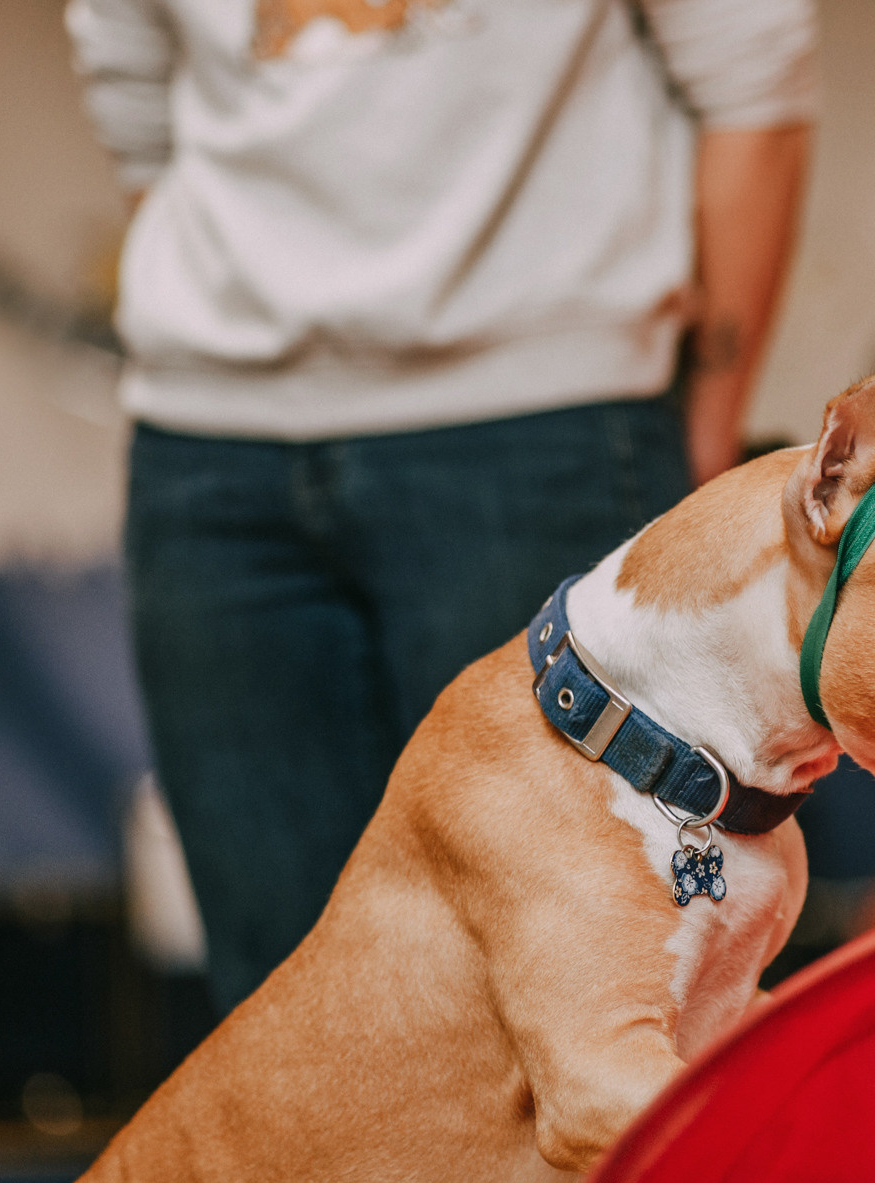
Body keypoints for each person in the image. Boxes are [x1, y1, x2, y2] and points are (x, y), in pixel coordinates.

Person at [67, 0, 817, 1012]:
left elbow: (753, 84)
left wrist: (701, 438)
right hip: (212, 448)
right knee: (277, 1004)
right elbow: (136, 106)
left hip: (545, 421)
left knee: (590, 990)